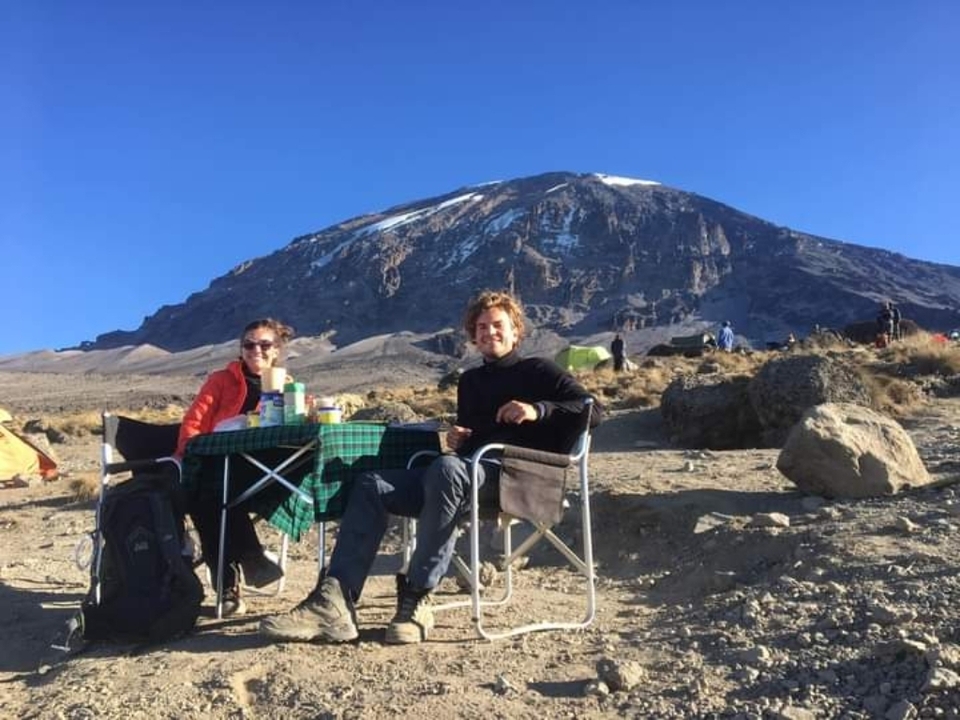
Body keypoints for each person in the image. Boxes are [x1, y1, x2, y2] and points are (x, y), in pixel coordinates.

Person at [260, 290, 603, 645]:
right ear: (473, 336)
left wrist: (537, 410)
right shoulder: (470, 382)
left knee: (447, 470)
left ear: (516, 331)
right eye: (481, 327)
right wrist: (458, 439)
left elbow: (592, 409)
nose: (489, 332)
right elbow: (472, 442)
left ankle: (418, 595)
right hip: (466, 476)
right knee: (371, 484)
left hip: (520, 476)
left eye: (498, 325)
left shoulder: (539, 370)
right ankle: (334, 602)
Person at [175, 318, 294, 616]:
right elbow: (194, 421)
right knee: (208, 492)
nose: (256, 350)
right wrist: (186, 454)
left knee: (210, 492)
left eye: (264, 344)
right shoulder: (220, 380)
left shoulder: (287, 386)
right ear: (241, 349)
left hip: (267, 470)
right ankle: (247, 560)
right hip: (217, 465)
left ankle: (230, 584)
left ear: (277, 350)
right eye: (249, 344)